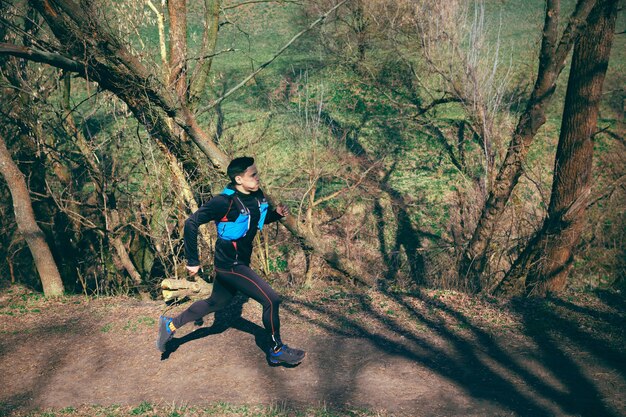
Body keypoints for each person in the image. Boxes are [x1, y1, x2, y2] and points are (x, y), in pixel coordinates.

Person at [156, 156, 305, 366]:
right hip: (230, 264)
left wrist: (275, 215)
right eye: (252, 175)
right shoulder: (223, 202)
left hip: (240, 261)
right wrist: (193, 260)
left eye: (257, 173)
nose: (257, 178)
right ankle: (276, 349)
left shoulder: (256, 196)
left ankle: (170, 325)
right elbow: (191, 222)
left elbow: (254, 221)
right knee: (271, 299)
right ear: (238, 179)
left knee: (217, 302)